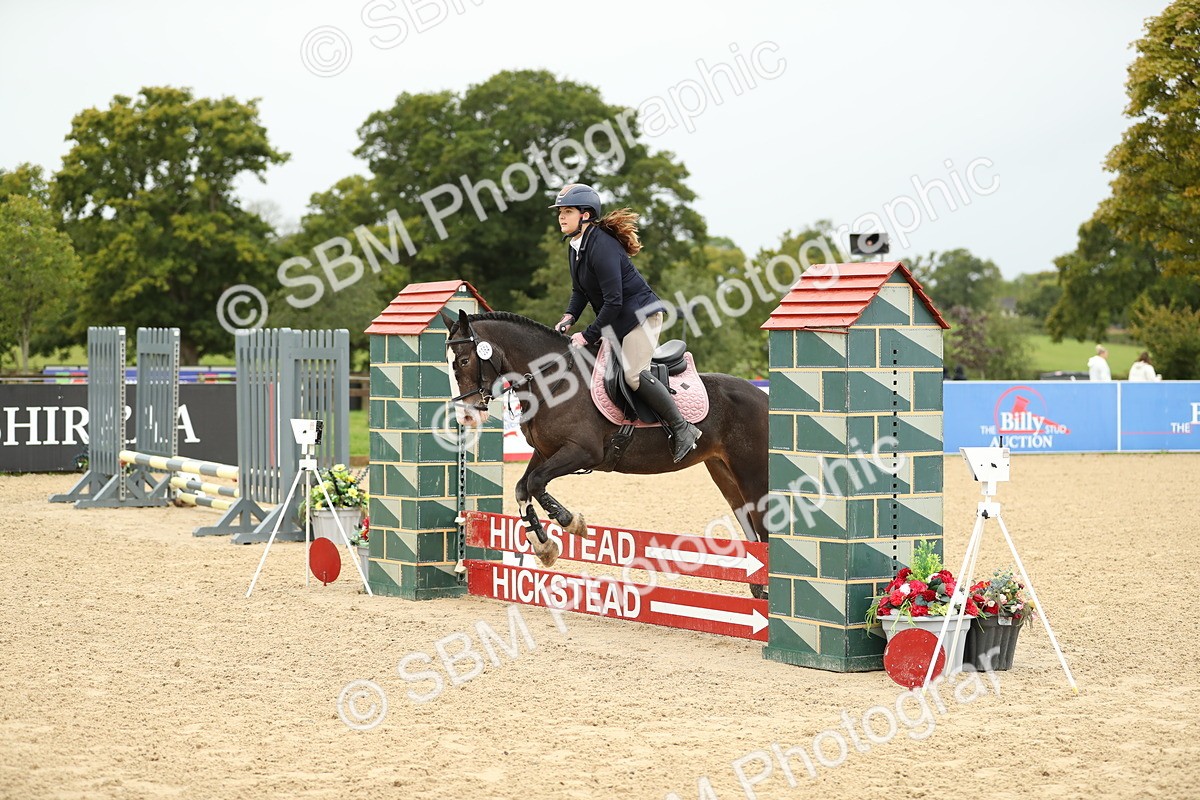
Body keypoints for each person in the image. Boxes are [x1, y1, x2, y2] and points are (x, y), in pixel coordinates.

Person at [549, 183, 701, 463]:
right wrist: (569, 317)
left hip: (641, 316)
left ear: (585, 215)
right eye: (560, 211)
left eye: (567, 211)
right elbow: (579, 292)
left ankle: (683, 429)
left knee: (633, 374)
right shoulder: (575, 247)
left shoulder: (602, 245)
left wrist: (589, 334)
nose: (561, 216)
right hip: (618, 320)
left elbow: (614, 300)